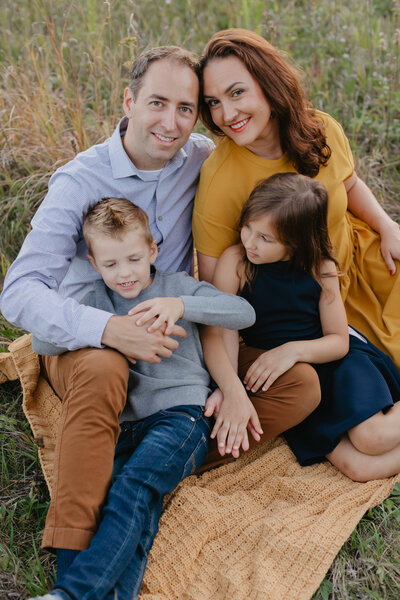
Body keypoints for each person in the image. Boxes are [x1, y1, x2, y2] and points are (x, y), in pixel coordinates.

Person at [0, 46, 216, 565]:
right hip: (84, 339)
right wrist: (108, 329)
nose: (171, 123)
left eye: (185, 108)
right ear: (129, 101)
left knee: (294, 385)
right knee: (103, 369)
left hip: (169, 326)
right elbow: (20, 290)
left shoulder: (202, 156)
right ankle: (76, 559)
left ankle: (153, 462)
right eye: (157, 103)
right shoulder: (80, 181)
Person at [29, 197, 258, 600]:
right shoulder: (97, 302)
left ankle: (69, 594)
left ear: (152, 250)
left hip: (180, 417)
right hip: (126, 424)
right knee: (116, 503)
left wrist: (181, 305)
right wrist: (104, 328)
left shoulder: (176, 288)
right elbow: (45, 339)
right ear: (93, 263)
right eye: (111, 264)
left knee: (134, 488)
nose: (126, 274)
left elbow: (243, 313)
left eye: (134, 259)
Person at [193, 28, 400, 372]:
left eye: (237, 93)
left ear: (269, 84)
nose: (226, 115)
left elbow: (348, 186)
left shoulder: (321, 128)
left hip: (366, 264)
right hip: (305, 306)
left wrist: (388, 225)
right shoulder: (219, 179)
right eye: (214, 102)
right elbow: (218, 292)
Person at [204, 172, 400, 484]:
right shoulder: (237, 262)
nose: (249, 242)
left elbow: (339, 341)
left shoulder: (320, 268)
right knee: (358, 468)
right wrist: (229, 388)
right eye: (248, 227)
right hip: (295, 381)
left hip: (337, 363)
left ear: (296, 244)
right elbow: (220, 332)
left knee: (372, 437)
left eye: (265, 239)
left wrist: (292, 351)